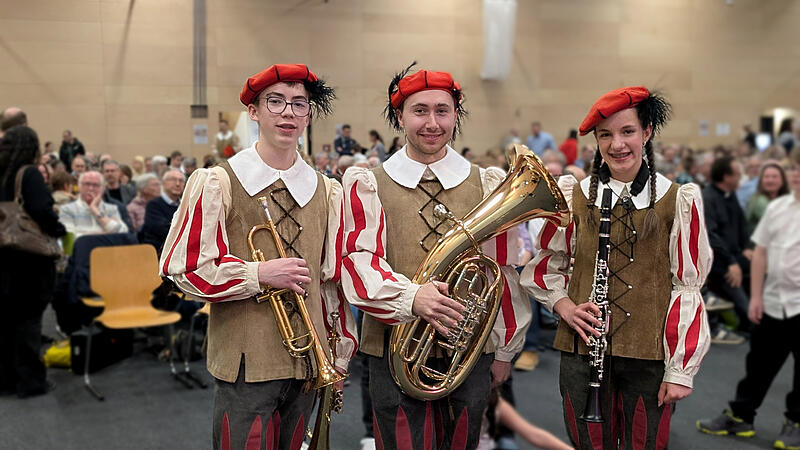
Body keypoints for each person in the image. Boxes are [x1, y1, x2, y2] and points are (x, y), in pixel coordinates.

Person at [159, 63, 357, 450]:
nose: (288, 113)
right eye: (276, 101)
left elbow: (330, 284)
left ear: (309, 115)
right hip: (245, 362)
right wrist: (258, 274)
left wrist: (339, 351)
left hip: (310, 358)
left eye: (299, 104)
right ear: (254, 111)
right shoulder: (218, 181)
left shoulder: (328, 191)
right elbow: (183, 269)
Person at [340, 63, 529, 450]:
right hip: (391, 351)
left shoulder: (488, 183)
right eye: (419, 110)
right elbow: (359, 265)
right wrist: (413, 298)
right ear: (400, 116)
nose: (432, 122)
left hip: (471, 349)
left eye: (442, 110)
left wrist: (506, 348)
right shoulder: (368, 183)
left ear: (455, 114)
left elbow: (504, 271)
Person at [522, 86, 712, 449]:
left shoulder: (678, 199)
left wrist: (680, 370)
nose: (617, 145)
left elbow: (686, 286)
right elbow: (546, 264)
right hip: (583, 350)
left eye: (627, 132)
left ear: (647, 133)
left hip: (649, 354)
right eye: (605, 135)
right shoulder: (576, 196)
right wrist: (565, 307)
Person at [697, 148, 800, 449]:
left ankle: (796, 422)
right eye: (794, 169)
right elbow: (761, 253)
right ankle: (741, 417)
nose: (795, 174)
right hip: (771, 300)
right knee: (758, 365)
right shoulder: (778, 207)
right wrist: (755, 296)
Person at [0, 126, 66, 398]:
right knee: (28, 321)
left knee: (5, 321)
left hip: (3, 259)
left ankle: (5, 380)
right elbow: (41, 210)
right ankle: (30, 382)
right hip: (28, 259)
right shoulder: (27, 174)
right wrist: (58, 228)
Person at [703, 156, 752, 331]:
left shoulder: (730, 196)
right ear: (726, 177)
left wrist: (747, 247)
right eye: (737, 175)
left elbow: (741, 225)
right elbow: (711, 235)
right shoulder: (707, 198)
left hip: (735, 256)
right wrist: (731, 263)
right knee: (747, 310)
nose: (740, 178)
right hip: (719, 262)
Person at [59, 171, 128, 238]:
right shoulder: (67, 209)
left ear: (103, 189)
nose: (91, 188)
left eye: (95, 185)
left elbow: (122, 233)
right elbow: (70, 238)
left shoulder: (112, 209)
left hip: (108, 249)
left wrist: (95, 210)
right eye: (87, 184)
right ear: (79, 187)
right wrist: (106, 234)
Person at [139, 169, 184, 254]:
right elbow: (164, 231)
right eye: (173, 180)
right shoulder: (153, 205)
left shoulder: (186, 206)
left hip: (181, 252)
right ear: (163, 183)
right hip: (159, 253)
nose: (178, 184)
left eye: (181, 181)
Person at [744, 162, 789, 237]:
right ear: (761, 181)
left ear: (783, 180)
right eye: (766, 177)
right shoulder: (758, 200)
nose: (770, 180)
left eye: (775, 177)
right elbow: (778, 227)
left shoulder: (784, 199)